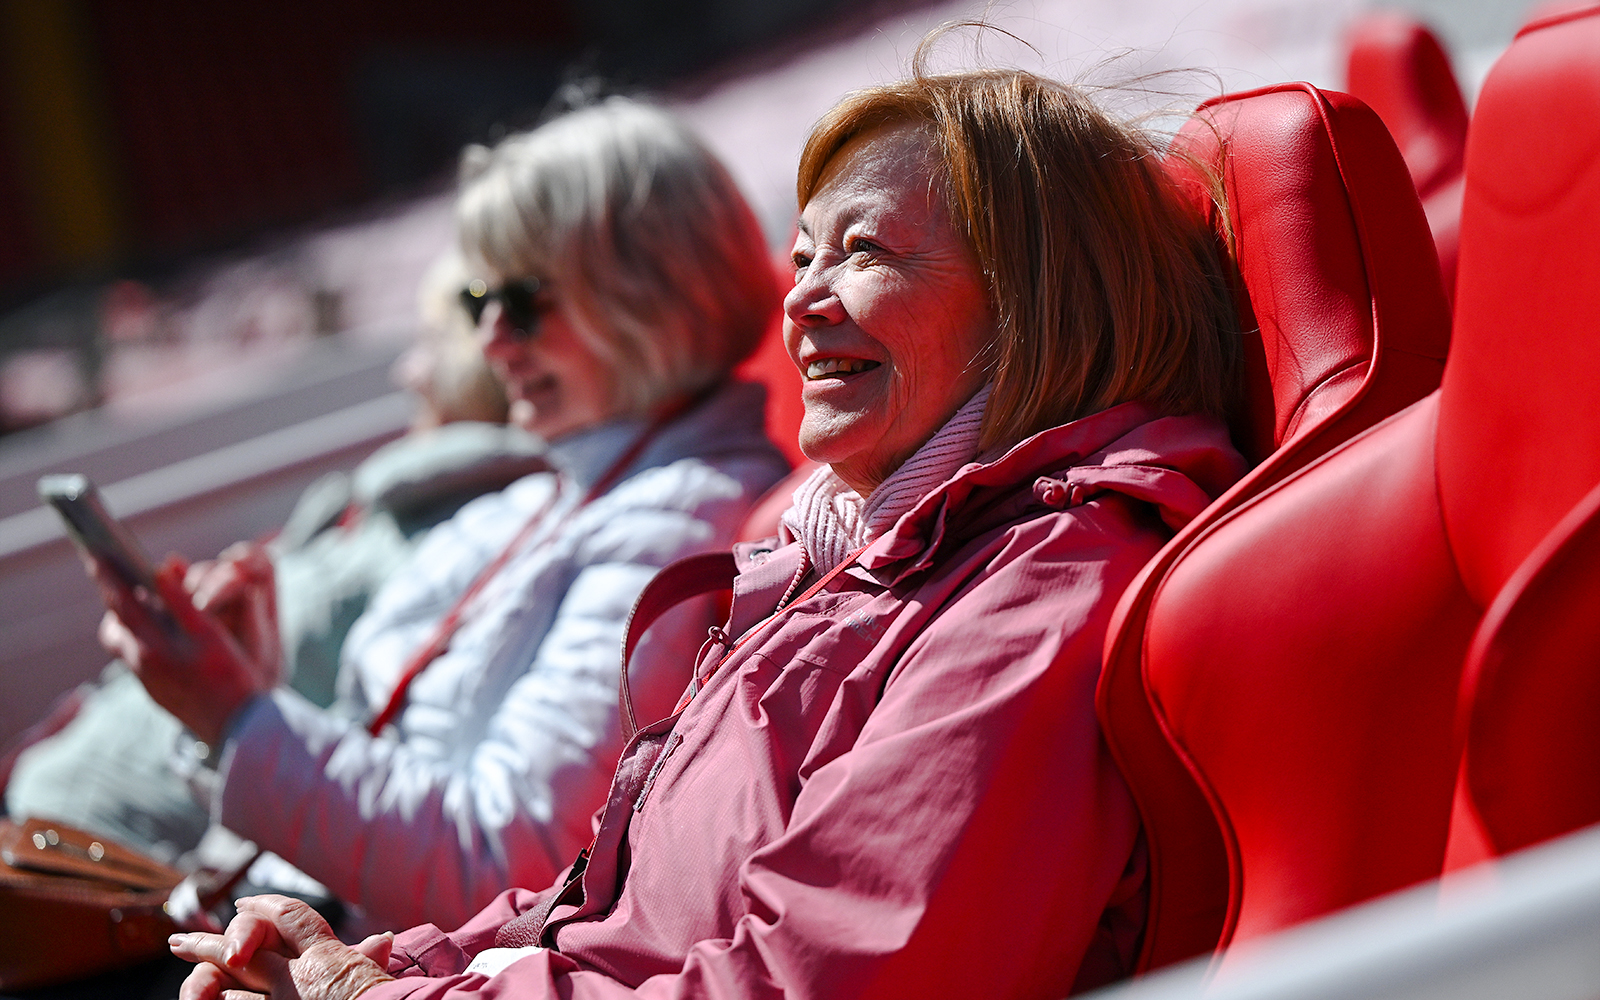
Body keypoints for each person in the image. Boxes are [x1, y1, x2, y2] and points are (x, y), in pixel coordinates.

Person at [166, 67, 1247, 1000]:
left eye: (861, 250)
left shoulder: (1038, 587)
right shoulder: (857, 560)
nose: (803, 302)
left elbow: (813, 980)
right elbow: (612, 909)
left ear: (1033, 303)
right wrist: (392, 962)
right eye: (802, 257)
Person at [86, 96, 790, 932]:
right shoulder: (554, 491)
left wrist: (235, 715)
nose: (492, 340)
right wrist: (251, 672)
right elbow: (398, 751)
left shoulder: (679, 521)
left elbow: (501, 864)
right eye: (479, 300)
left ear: (654, 295)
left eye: (523, 301)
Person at [4, 250, 546, 863]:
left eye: (429, 341)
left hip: (111, 857)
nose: (408, 371)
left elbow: (373, 765)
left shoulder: (464, 539)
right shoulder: (378, 505)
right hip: (70, 819)